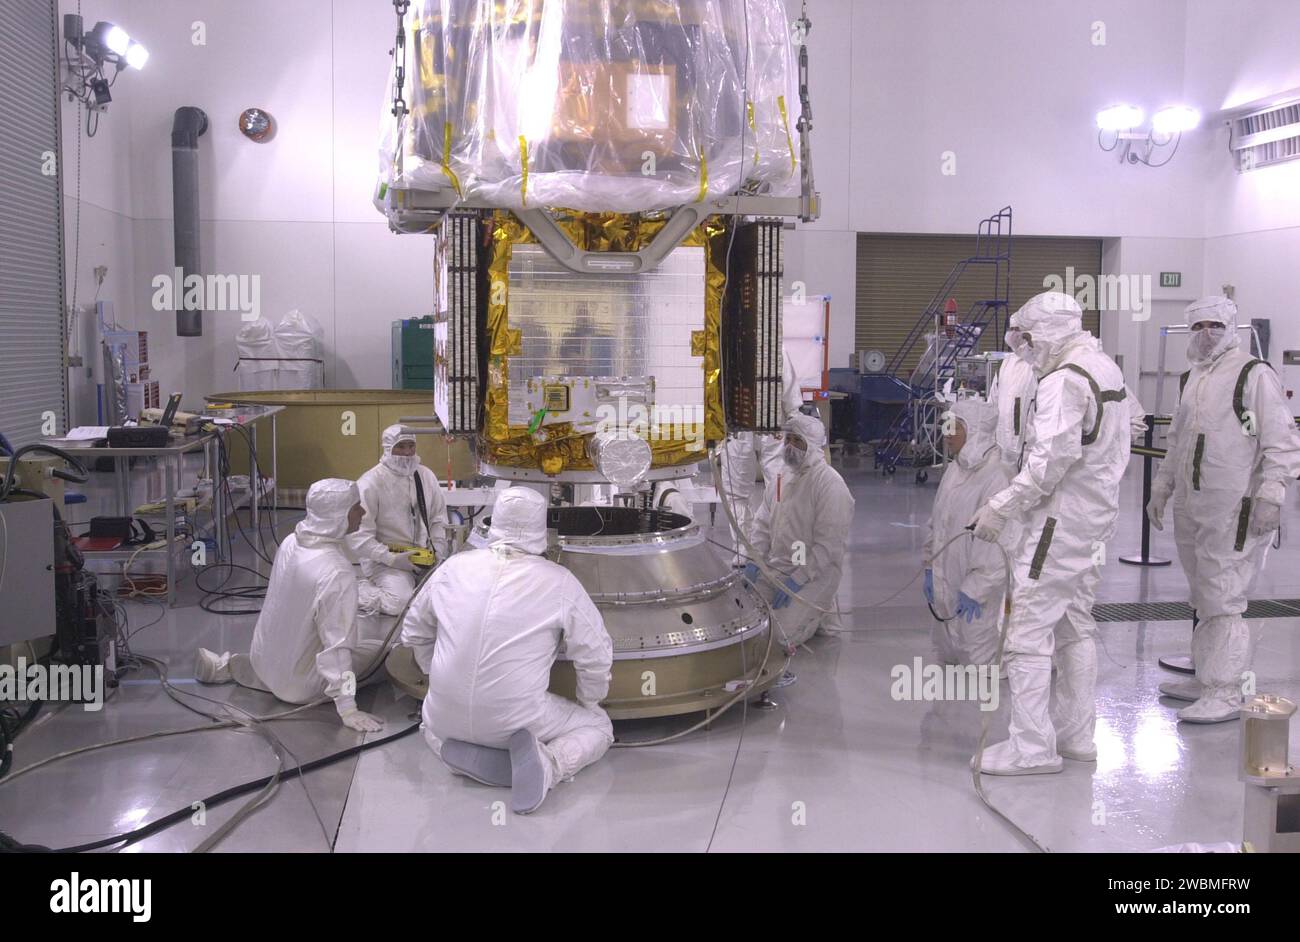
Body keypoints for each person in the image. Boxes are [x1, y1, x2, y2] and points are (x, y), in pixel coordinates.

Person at [970, 292, 1130, 775]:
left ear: (1053, 332)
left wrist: (1000, 506)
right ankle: (1077, 735)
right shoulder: (1104, 368)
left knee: (1025, 631)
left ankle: (1033, 749)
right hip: (1092, 521)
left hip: (1055, 525)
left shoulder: (1064, 380)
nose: (1025, 347)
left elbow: (1047, 466)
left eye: (1029, 336)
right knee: (1074, 625)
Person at [401, 486, 614, 815]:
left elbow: (413, 630)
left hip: (441, 718)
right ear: (539, 529)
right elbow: (595, 654)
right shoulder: (559, 581)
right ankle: (548, 765)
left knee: (429, 724)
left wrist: (436, 675)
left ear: (494, 520)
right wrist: (590, 701)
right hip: (516, 721)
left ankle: (461, 754)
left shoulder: (452, 568)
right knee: (599, 728)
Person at [1147, 296, 1300, 723]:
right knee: (1202, 595)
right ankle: (1205, 676)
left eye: (1214, 325)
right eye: (1197, 327)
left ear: (1231, 328)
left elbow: (1281, 441)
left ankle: (1226, 689)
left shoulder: (1252, 375)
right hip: (1194, 504)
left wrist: (1271, 494)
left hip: (1234, 507)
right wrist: (1162, 484)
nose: (1205, 334)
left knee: (1224, 597)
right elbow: (1178, 437)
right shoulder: (1195, 378)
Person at [194, 478, 388, 732]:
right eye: (356, 507)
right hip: (300, 688)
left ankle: (226, 666)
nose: (362, 512)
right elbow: (337, 647)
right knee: (384, 652)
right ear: (337, 515)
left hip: (262, 661)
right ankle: (303, 683)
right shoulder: (336, 572)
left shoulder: (290, 543)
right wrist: (347, 707)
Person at [744, 412, 854, 645]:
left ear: (813, 447)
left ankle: (817, 609)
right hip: (779, 567)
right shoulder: (780, 478)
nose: (790, 446)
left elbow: (828, 547)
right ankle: (820, 613)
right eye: (788, 440)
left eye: (798, 442)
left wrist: (800, 577)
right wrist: (754, 561)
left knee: (778, 637)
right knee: (742, 622)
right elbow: (762, 525)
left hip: (814, 574)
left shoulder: (830, 485)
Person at [924, 397, 1011, 666]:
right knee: (949, 666)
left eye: (955, 427)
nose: (947, 434)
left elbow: (1001, 548)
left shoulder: (998, 477)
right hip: (945, 590)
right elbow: (936, 523)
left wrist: (975, 590)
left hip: (977, 601)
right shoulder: (955, 470)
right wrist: (929, 566)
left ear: (976, 431)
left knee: (978, 675)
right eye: (946, 426)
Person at [348, 424, 449, 616]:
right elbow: (359, 537)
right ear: (388, 448)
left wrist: (439, 550)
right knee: (399, 603)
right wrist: (391, 558)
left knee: (446, 596)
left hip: (423, 555)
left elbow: (438, 518)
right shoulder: (370, 483)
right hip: (384, 560)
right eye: (401, 447)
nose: (407, 453)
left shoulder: (425, 476)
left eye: (411, 446)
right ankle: (358, 591)